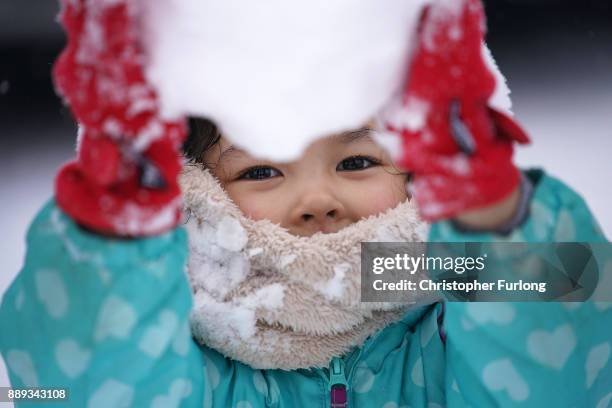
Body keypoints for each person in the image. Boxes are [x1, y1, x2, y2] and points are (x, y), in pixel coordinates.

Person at [1, 0, 610, 407]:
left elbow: (568, 330)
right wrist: (116, 223)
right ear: (199, 192)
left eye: (356, 162)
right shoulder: (180, 333)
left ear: (419, 175)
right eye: (262, 170)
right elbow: (80, 382)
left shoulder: (435, 288)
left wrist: (485, 206)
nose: (318, 200)